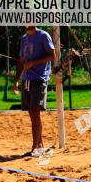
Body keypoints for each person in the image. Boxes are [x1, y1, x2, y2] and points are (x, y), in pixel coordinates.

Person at [13, 25, 55, 155]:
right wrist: (16, 81)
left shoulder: (43, 35)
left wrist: (33, 63)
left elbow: (52, 56)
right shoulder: (24, 39)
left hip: (39, 78)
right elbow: (21, 61)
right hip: (27, 79)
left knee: (35, 111)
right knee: (32, 114)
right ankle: (40, 145)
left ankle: (35, 147)